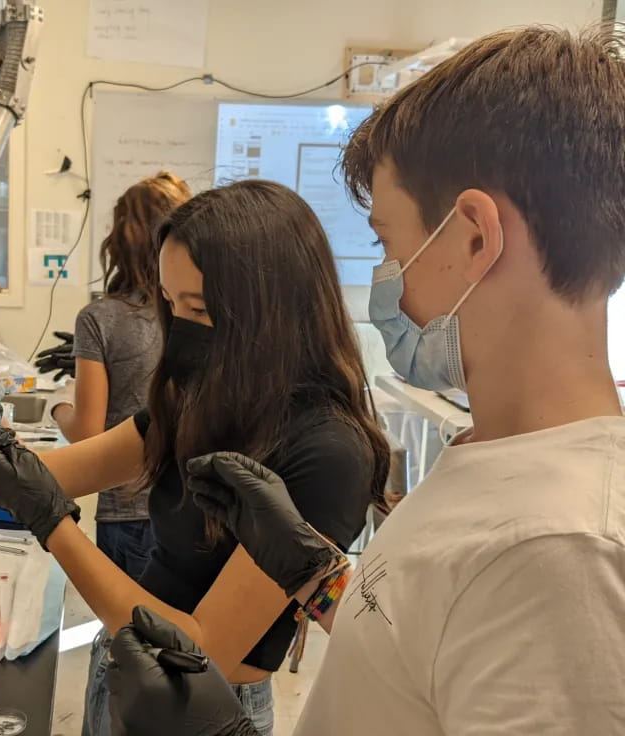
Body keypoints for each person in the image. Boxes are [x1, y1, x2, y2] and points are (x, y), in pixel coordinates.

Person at [104, 26, 625, 735]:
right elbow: (416, 650)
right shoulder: (496, 459)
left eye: (389, 245)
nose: (388, 287)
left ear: (475, 237)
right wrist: (315, 577)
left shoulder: (560, 552)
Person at [0, 179, 390, 735]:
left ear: (273, 311)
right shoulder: (199, 398)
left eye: (198, 307)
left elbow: (202, 649)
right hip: (120, 667)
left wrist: (55, 525)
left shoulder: (327, 452)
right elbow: (29, 479)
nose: (179, 325)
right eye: (170, 303)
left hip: (203, 713)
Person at [37, 172, 191, 581]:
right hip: (188, 512)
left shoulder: (100, 319)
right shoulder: (197, 315)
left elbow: (87, 434)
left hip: (126, 512)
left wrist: (59, 405)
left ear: (118, 242)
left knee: (123, 633)